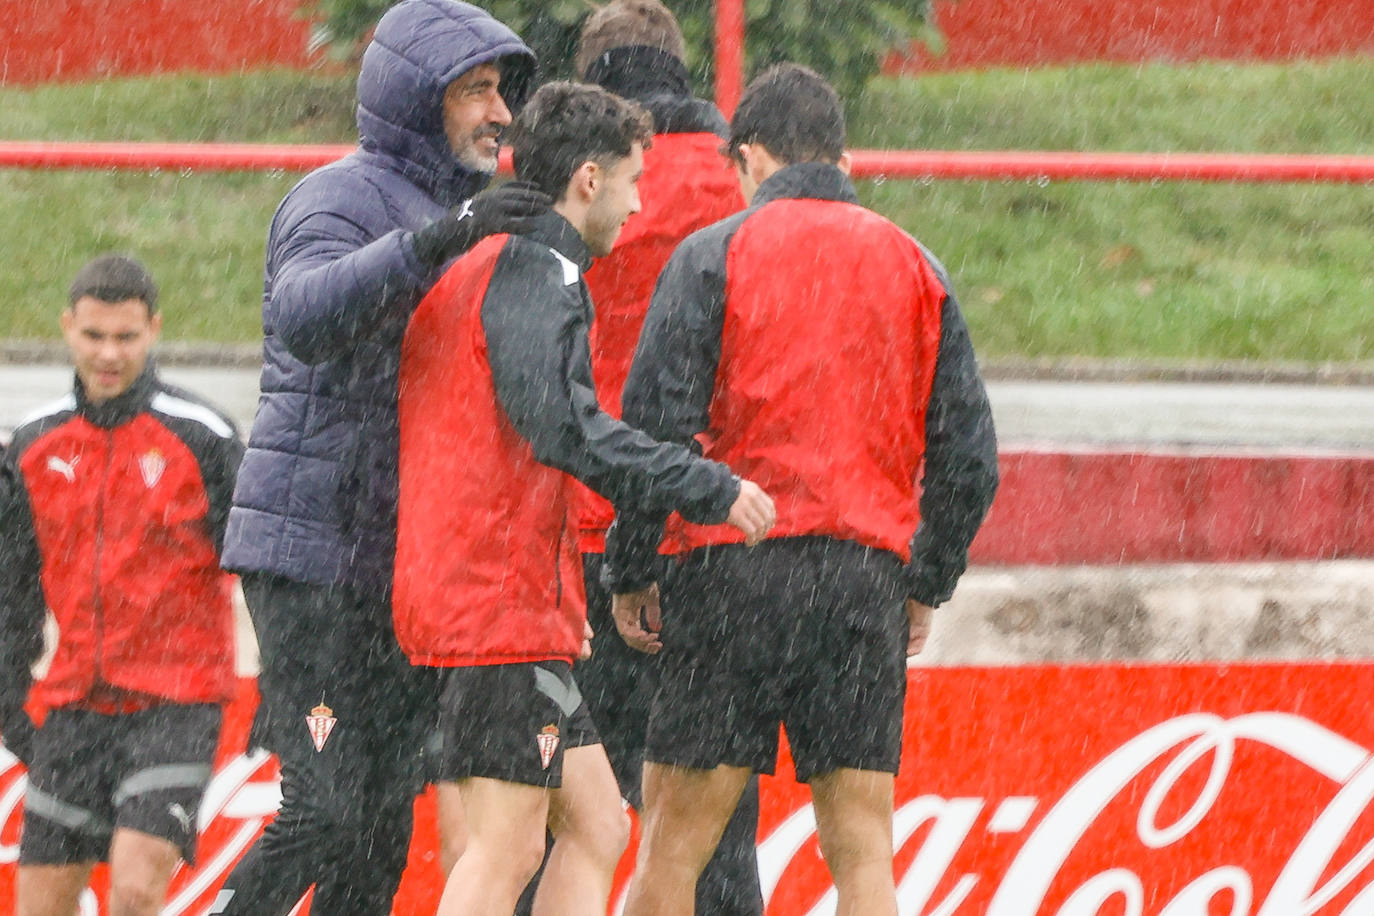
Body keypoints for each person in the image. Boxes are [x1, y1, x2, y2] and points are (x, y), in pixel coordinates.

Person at [605, 63, 1000, 916]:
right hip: (861, 580)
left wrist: (631, 567)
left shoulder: (713, 254)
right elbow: (970, 458)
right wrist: (923, 579)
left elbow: (654, 431)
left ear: (748, 158)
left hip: (730, 570)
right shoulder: (914, 264)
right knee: (862, 854)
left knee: (673, 849)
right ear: (843, 158)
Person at [392, 80, 775, 916]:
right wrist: (702, 482)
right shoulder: (537, 267)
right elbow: (566, 428)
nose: (641, 205)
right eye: (636, 181)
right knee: (506, 845)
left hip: (490, 593)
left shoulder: (496, 257)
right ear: (590, 181)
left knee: (598, 822)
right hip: (492, 603)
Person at [213, 2, 550, 913]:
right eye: (475, 91)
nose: (499, 113)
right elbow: (305, 314)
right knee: (321, 809)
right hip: (315, 559)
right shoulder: (338, 196)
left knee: (376, 829)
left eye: (501, 93)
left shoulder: (465, 208)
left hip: (400, 570)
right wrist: (439, 241)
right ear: (414, 98)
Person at [570, 3, 763, 912]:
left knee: (563, 825)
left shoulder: (570, 178)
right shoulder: (742, 183)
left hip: (580, 525)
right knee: (711, 828)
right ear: (683, 73)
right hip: (713, 526)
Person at [0, 254, 244, 916]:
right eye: (94, 335)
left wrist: (290, 679)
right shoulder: (31, 442)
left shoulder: (204, 436)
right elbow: (11, 587)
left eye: (126, 337)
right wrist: (8, 691)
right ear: (67, 329)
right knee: (39, 905)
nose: (109, 353)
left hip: (178, 702)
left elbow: (266, 569)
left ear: (155, 330)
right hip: (75, 703)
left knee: (135, 891)